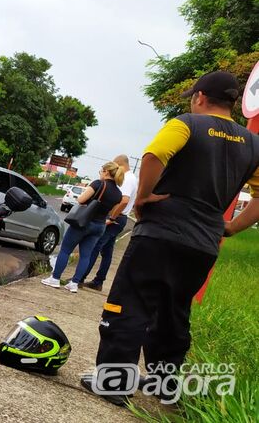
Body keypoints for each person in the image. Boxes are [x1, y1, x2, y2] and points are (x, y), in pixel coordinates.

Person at [81, 71, 259, 406]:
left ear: (200, 97)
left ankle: (113, 383)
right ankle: (164, 384)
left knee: (129, 304)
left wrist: (143, 197)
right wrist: (232, 227)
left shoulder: (187, 123)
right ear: (232, 103)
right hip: (204, 243)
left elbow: (154, 156)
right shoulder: (253, 145)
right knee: (173, 311)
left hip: (161, 232)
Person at [41, 162, 124, 293]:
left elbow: (80, 200)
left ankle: (55, 278)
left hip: (84, 222)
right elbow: (111, 210)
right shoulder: (118, 193)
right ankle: (74, 283)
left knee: (65, 250)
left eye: (101, 170)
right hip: (100, 225)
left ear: (107, 172)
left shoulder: (98, 184)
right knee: (86, 255)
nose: (100, 173)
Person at [81, 155, 139, 291]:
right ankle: (98, 281)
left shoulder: (128, 179)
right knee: (107, 251)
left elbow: (124, 200)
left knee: (95, 246)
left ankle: (80, 278)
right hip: (120, 219)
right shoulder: (133, 178)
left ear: (120, 164)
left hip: (116, 219)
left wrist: (112, 217)